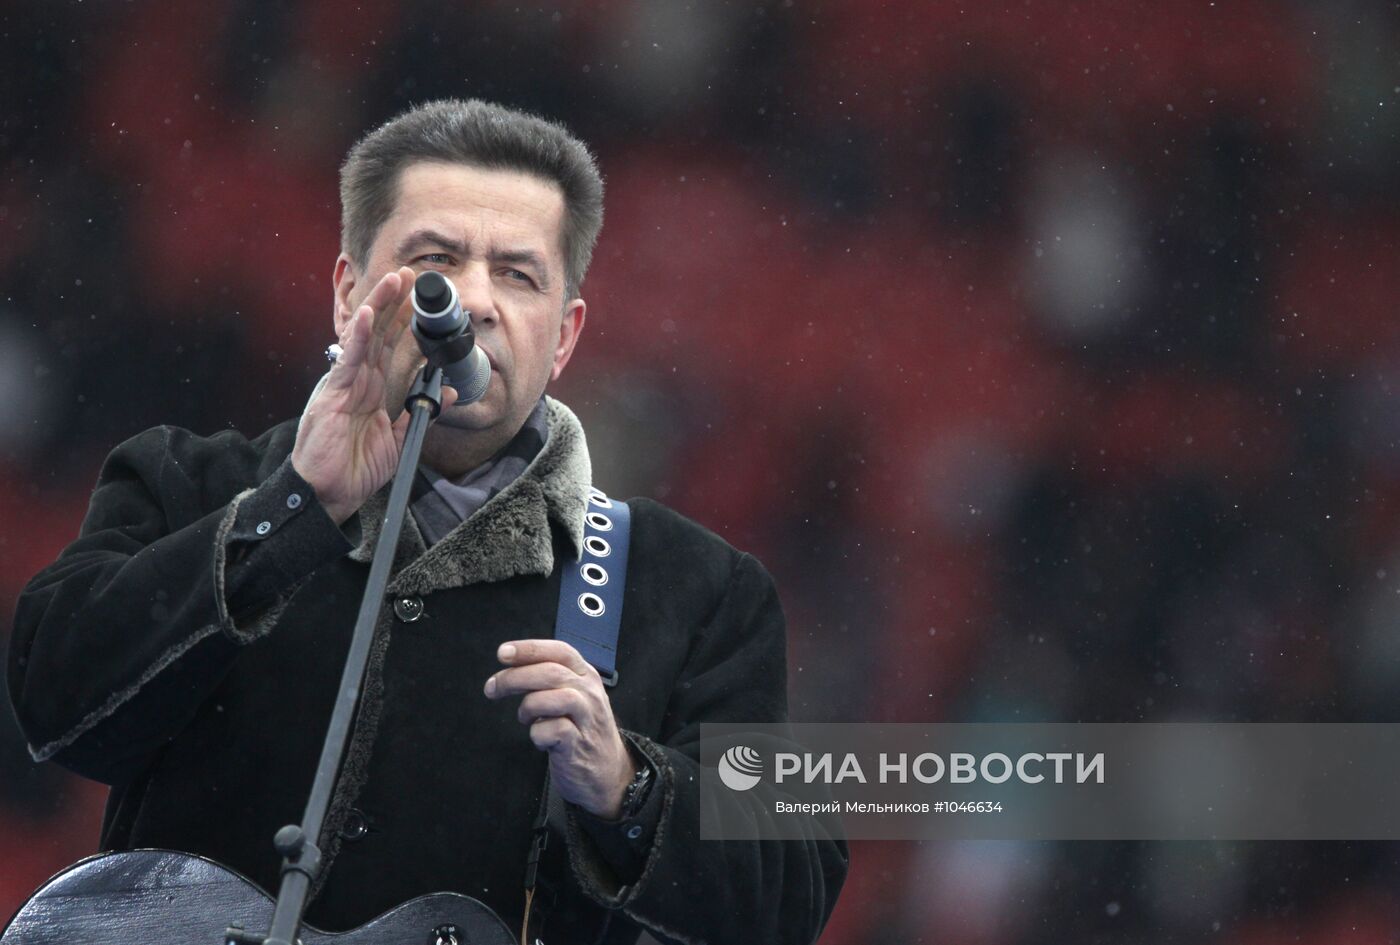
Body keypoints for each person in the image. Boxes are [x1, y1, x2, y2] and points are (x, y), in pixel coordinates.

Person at [7, 99, 847, 944]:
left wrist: (628, 785)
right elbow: (52, 701)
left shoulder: (700, 589)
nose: (474, 301)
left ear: (565, 336)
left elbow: (795, 884)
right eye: (435, 262)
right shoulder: (184, 480)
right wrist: (295, 506)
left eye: (519, 274)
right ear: (348, 294)